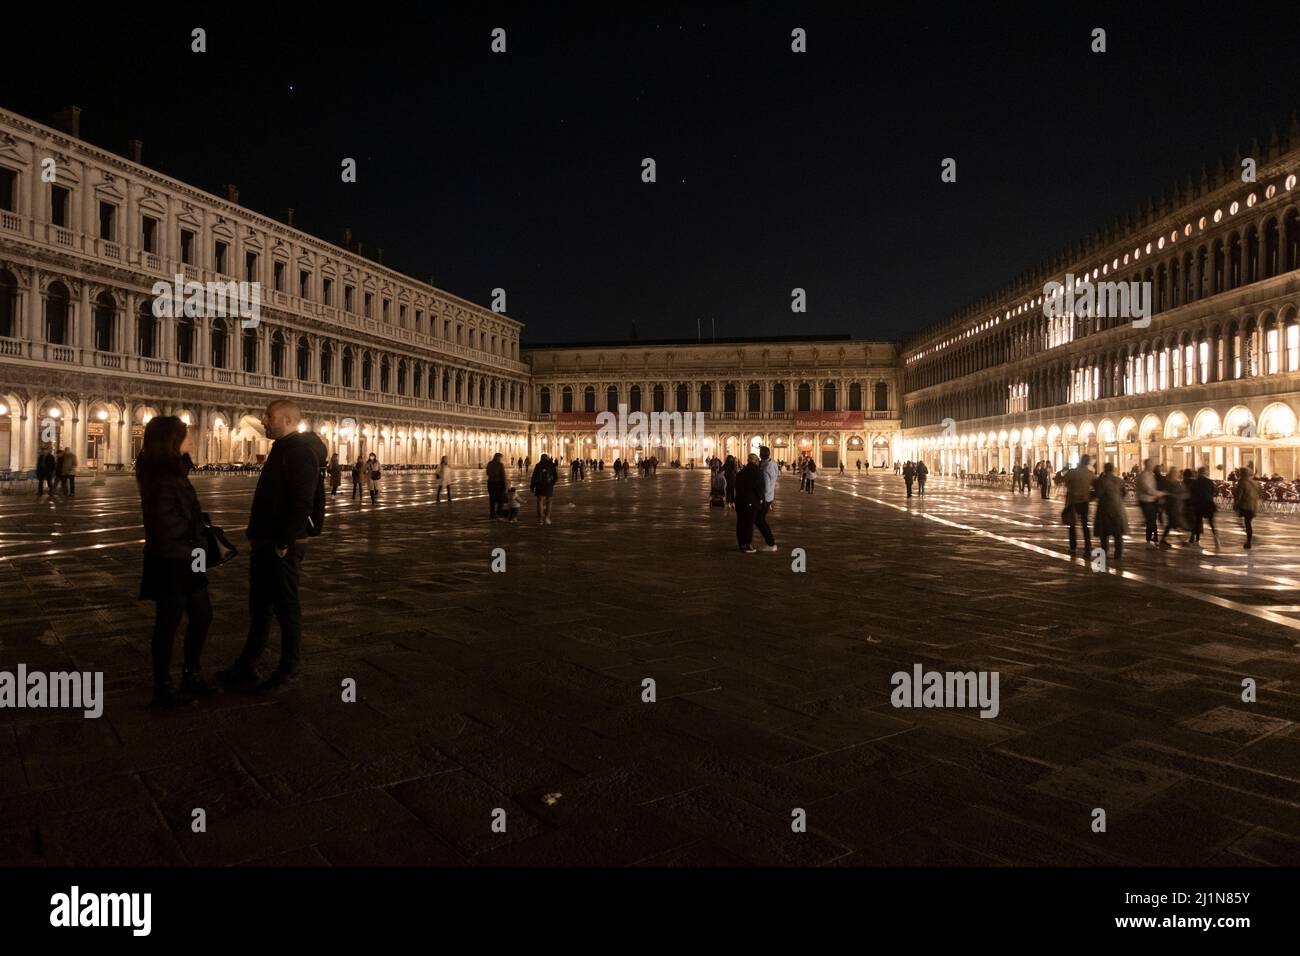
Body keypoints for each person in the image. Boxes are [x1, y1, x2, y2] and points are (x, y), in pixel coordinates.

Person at [218, 399, 327, 695]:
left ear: (289, 420)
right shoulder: (283, 448)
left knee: (286, 605)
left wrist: (283, 541)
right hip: (267, 539)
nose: (264, 421)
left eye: (270, 417)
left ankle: (290, 667)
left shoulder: (301, 451)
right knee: (260, 605)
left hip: (283, 543)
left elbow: (301, 500)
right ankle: (247, 664)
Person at [136, 415, 214, 706]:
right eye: (186, 435)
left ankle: (190, 673)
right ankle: (163, 686)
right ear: (172, 441)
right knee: (168, 622)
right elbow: (165, 521)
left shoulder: (174, 470)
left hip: (189, 556)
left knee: (203, 614)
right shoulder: (162, 475)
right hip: (171, 559)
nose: (191, 439)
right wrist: (198, 537)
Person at [1092, 462, 1128, 561]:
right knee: (1118, 534)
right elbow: (1125, 492)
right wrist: (1119, 500)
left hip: (1105, 509)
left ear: (1105, 469)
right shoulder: (1119, 480)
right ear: (1113, 469)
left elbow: (1098, 494)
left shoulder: (1101, 481)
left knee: (1104, 533)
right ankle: (1118, 554)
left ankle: (1104, 552)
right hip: (1117, 509)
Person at [1063, 455, 1095, 555]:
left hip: (1073, 501)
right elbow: (1096, 485)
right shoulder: (1090, 473)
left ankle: (1073, 547)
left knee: (1072, 525)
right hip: (1085, 501)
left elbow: (1065, 481)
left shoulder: (1073, 472)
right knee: (1085, 525)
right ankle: (1087, 548)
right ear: (1088, 462)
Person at [735, 453, 765, 552]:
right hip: (751, 502)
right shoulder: (758, 472)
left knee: (740, 523)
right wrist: (761, 498)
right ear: (756, 461)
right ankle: (748, 545)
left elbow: (737, 486)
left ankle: (741, 544)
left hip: (740, 501)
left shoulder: (741, 472)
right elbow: (760, 488)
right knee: (749, 524)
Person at [1188, 465, 1219, 548]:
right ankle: (1216, 539)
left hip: (1198, 504)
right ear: (1204, 472)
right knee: (1211, 523)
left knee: (1197, 521)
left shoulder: (1195, 482)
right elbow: (1214, 492)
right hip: (1208, 504)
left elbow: (1192, 493)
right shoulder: (1209, 481)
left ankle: (1196, 539)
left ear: (1198, 472)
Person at [756, 445, 778, 551]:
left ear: (761, 455)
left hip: (765, 498)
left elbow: (765, 486)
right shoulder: (773, 463)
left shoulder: (765, 468)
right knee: (760, 520)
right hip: (770, 496)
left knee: (759, 520)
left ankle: (771, 544)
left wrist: (759, 496)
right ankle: (770, 543)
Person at [1233, 464, 1261, 550]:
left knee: (1246, 523)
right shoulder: (1255, 482)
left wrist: (1235, 504)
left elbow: (1239, 495)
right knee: (1247, 522)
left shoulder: (1242, 482)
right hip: (1253, 505)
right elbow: (1258, 494)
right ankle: (1249, 537)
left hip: (1245, 505)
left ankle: (1249, 540)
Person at [1135, 458, 1161, 546]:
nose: (1153, 466)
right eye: (1151, 464)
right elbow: (1147, 489)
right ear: (1147, 465)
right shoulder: (1144, 475)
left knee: (1152, 519)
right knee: (1150, 520)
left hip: (1151, 500)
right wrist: (1158, 494)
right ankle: (1149, 539)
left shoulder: (1151, 475)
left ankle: (1154, 537)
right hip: (1145, 500)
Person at [531, 453, 556, 525]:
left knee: (539, 502)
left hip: (539, 485)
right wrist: (552, 483)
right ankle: (547, 518)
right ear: (548, 458)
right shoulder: (552, 465)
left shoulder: (538, 465)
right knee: (549, 501)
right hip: (548, 485)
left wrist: (532, 486)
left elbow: (534, 476)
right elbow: (556, 476)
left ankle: (540, 520)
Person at [487, 452, 507, 519]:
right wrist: (505, 485)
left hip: (490, 483)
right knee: (500, 499)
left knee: (492, 499)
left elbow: (487, 473)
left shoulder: (489, 464)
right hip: (499, 483)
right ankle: (499, 512)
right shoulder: (500, 465)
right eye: (501, 458)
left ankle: (492, 514)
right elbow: (503, 475)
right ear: (499, 458)